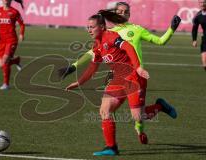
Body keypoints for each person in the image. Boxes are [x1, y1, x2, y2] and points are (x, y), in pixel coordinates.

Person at [61, 2, 179, 145]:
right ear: (115, 14)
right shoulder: (107, 32)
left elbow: (159, 41)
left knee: (138, 117)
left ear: (129, 14)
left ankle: (158, 108)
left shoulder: (136, 29)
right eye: (119, 11)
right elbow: (92, 54)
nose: (122, 14)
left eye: (125, 12)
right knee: (106, 110)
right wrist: (74, 68)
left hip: (136, 74)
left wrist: (171, 29)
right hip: (118, 77)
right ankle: (112, 146)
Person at [0, 0, 25, 90]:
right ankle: (16, 60)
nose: (6, 1)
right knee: (1, 64)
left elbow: (22, 24)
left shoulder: (14, 12)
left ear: (10, 1)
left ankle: (6, 84)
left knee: (5, 61)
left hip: (11, 40)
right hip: (1, 41)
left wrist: (21, 34)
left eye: (8, 0)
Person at [192, 0, 206, 71]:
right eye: (201, 2)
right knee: (205, 65)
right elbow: (194, 29)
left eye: (204, 2)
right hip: (205, 39)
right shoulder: (198, 16)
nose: (203, 4)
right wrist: (194, 40)